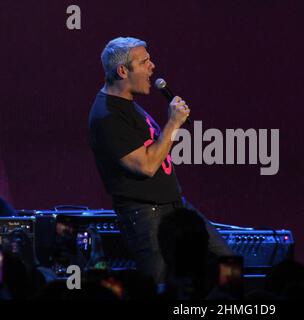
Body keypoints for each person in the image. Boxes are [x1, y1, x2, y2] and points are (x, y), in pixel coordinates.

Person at [88, 37, 232, 285]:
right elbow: (146, 165)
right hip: (146, 214)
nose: (152, 66)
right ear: (123, 70)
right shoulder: (108, 115)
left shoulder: (127, 105)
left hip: (173, 206)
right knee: (160, 284)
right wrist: (173, 124)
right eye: (144, 62)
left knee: (226, 264)